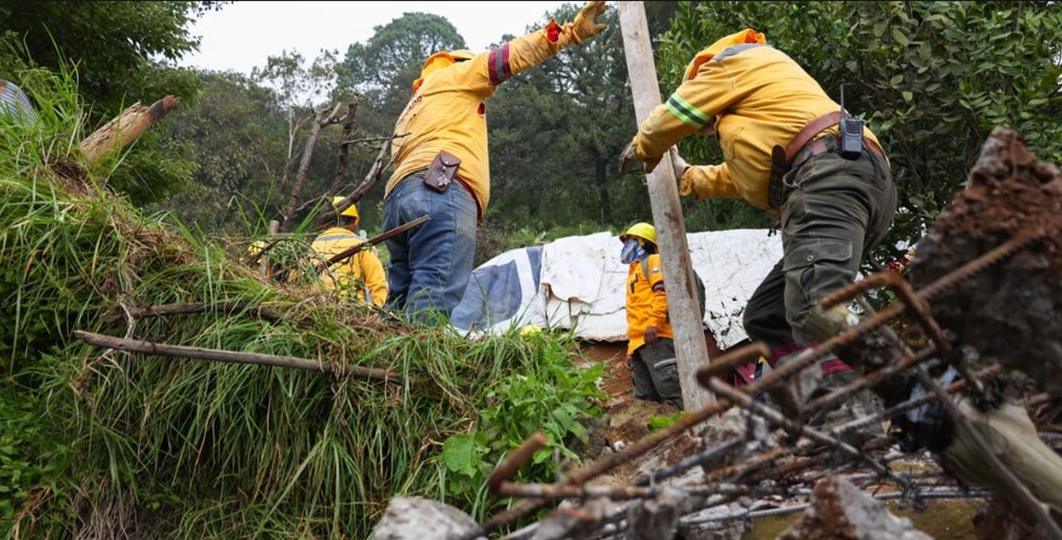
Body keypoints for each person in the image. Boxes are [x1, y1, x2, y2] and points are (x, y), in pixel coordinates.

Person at [618, 28, 897, 404]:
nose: (709, 131)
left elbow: (675, 114)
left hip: (828, 178)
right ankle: (815, 402)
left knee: (815, 307)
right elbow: (734, 178)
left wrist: (643, 145)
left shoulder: (729, 63)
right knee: (767, 315)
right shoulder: (766, 109)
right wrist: (686, 176)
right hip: (853, 182)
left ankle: (857, 416)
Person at [381, 0, 608, 322]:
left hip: (397, 202)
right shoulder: (456, 75)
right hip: (440, 190)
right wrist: (569, 34)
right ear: (459, 63)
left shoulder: (413, 108)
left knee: (401, 299)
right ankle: (414, 370)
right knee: (434, 293)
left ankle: (378, 366)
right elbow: (508, 57)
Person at [620, 223, 683, 410]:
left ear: (642, 242)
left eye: (629, 240)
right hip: (640, 344)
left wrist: (654, 323)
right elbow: (635, 313)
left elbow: (662, 294)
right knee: (644, 399)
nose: (625, 246)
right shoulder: (633, 272)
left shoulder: (654, 261)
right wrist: (631, 350)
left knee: (672, 392)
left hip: (657, 339)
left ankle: (692, 434)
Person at [310, 196, 388, 307]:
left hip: (316, 308)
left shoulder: (313, 245)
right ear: (354, 222)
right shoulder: (361, 245)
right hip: (352, 310)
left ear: (326, 223)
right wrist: (376, 309)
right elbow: (378, 283)